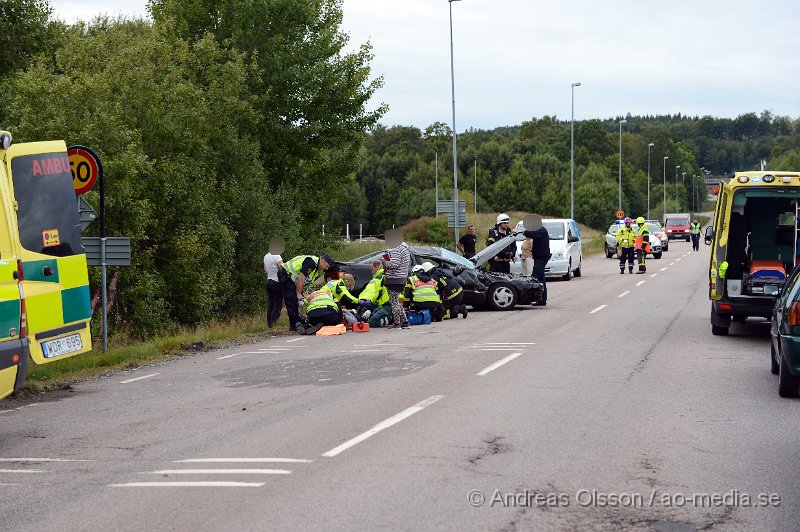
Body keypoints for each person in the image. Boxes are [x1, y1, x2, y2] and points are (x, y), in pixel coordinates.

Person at [278, 253, 333, 331]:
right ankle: (294, 325)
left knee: (294, 301)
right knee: (291, 300)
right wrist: (298, 293)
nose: (326, 268)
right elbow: (301, 279)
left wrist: (300, 293)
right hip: (285, 275)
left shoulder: (316, 268)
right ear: (323, 261)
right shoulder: (312, 263)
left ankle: (296, 323)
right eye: (327, 266)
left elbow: (305, 282)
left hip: (289, 277)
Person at [516, 223, 550, 306]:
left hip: (542, 257)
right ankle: (542, 300)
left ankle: (526, 299)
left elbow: (532, 234)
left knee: (534, 278)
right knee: (541, 280)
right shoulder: (539, 230)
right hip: (539, 257)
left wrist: (521, 231)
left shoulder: (541, 230)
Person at [381, 241, 411, 329]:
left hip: (394, 279)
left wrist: (384, 261)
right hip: (401, 278)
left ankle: (397, 323)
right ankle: (405, 321)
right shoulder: (405, 249)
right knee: (397, 301)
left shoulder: (396, 249)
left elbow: (394, 264)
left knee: (394, 302)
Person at [359, 260, 393, 327]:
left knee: (372, 322)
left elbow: (378, 293)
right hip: (382, 304)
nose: (371, 272)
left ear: (377, 267)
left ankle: (390, 319)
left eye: (372, 269)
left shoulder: (380, 277)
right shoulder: (377, 278)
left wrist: (371, 301)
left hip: (387, 305)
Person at [263, 249, 284, 327]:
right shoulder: (277, 256)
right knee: (277, 304)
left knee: (270, 303)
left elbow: (265, 270)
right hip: (276, 281)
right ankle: (274, 322)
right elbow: (282, 268)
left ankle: (269, 323)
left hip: (269, 281)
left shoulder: (266, 256)